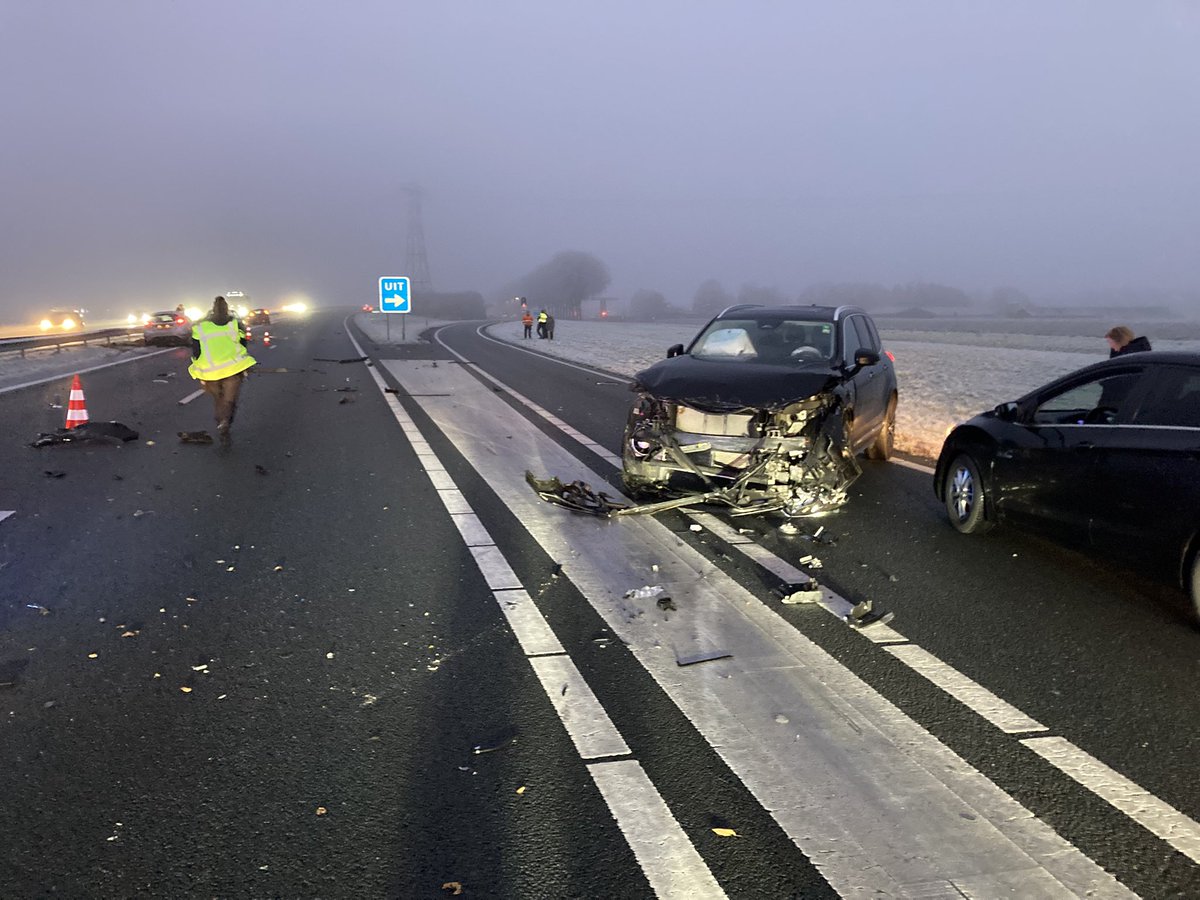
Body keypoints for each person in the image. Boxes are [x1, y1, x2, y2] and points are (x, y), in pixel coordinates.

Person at [188, 296, 257, 445]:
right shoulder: (235, 324)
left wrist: (200, 366)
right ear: (227, 309)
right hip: (232, 368)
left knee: (218, 398)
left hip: (210, 371)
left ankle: (220, 421)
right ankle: (225, 422)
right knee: (229, 400)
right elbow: (243, 344)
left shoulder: (200, 327)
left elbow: (196, 351)